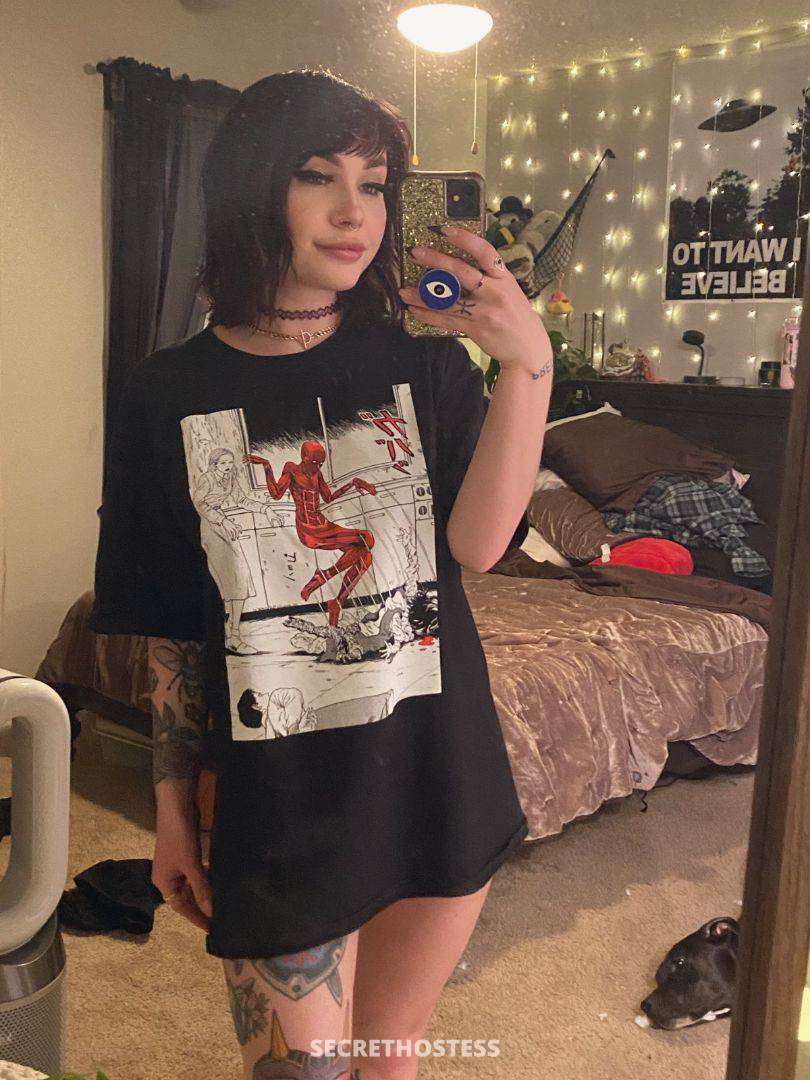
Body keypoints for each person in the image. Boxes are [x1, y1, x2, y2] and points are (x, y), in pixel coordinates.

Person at [90, 68, 553, 1079]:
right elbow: (172, 621)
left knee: (388, 1060)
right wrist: (171, 807)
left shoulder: (424, 362)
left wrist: (530, 367)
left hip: (437, 776)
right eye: (318, 176)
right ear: (255, 186)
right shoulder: (167, 392)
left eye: (375, 184)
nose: (357, 212)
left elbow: (480, 546)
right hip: (278, 803)